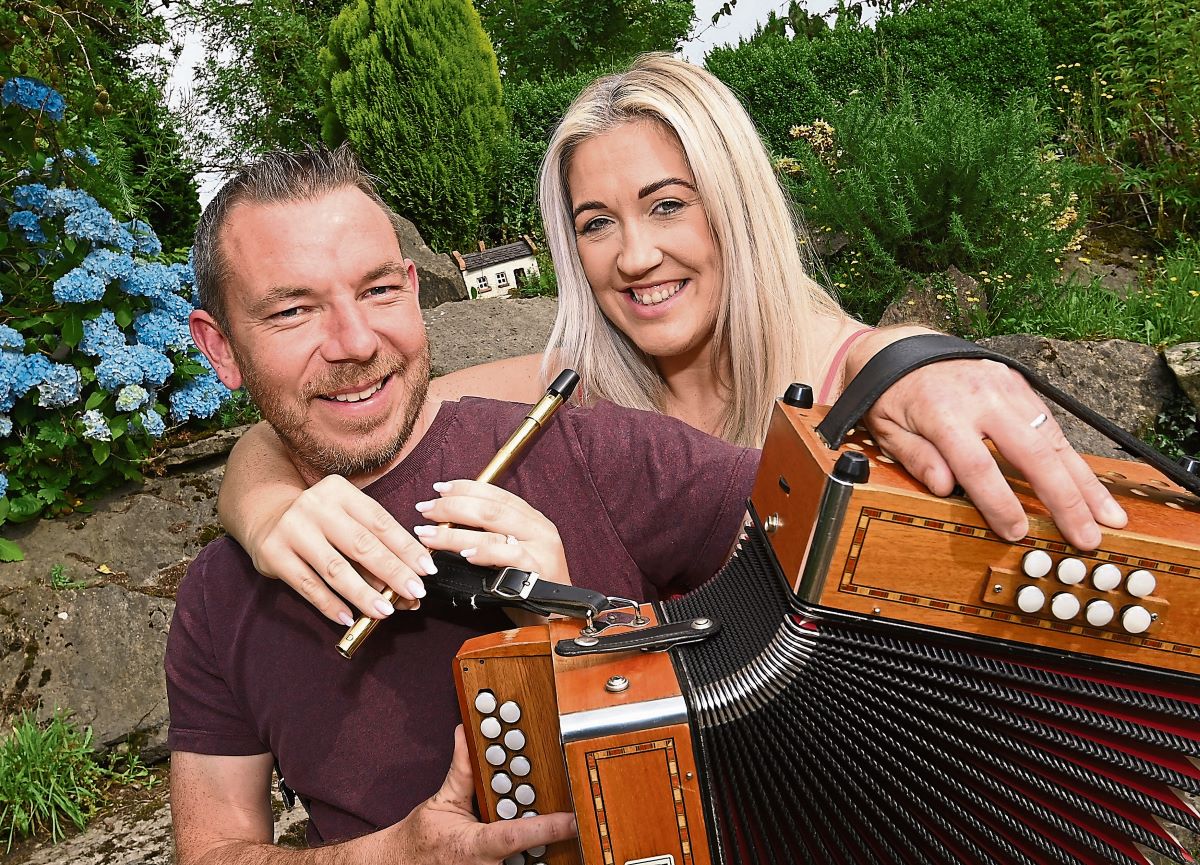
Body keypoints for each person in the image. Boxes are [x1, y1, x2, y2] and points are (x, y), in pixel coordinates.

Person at [215, 54, 1126, 628]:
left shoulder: (853, 379)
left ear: (734, 204)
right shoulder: (578, 390)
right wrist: (263, 514)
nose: (635, 256)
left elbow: (883, 359)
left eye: (666, 204)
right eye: (597, 223)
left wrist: (920, 356)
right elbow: (365, 400)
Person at [167, 145, 761, 864]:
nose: (355, 343)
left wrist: (588, 626)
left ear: (415, 288)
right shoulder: (216, 596)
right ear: (219, 347)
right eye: (294, 310)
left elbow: (834, 546)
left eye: (380, 290)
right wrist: (387, 858)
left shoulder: (591, 449)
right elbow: (211, 850)